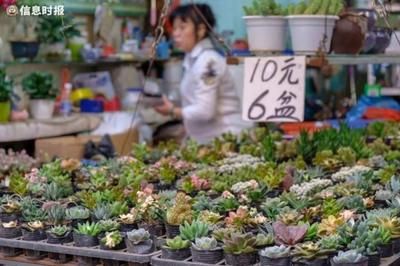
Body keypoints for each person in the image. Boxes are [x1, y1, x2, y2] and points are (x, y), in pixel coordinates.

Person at [154, 3, 253, 144]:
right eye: (174, 28)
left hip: (228, 139)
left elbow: (205, 111)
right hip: (208, 140)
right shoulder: (192, 59)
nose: (175, 33)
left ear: (200, 29)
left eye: (182, 27)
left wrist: (173, 111)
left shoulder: (208, 61)